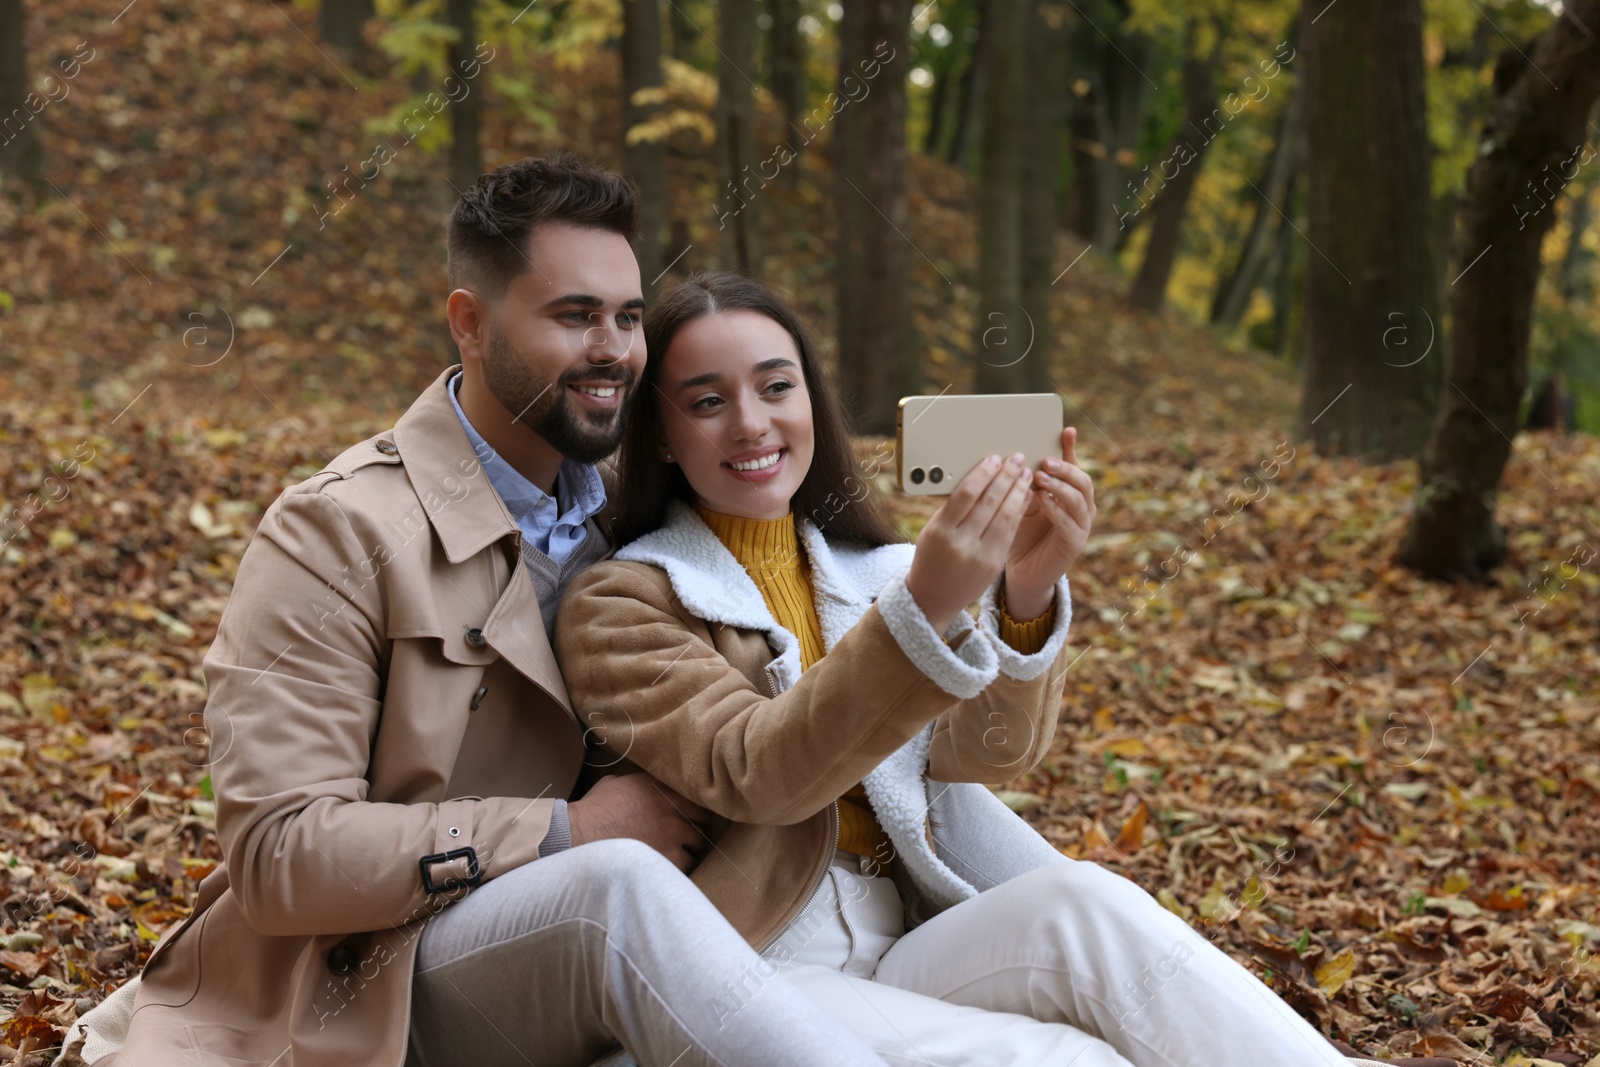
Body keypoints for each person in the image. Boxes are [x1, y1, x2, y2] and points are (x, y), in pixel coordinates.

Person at [57, 156, 888, 1067]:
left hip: (618, 960)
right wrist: (564, 830)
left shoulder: (640, 510)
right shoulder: (337, 530)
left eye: (627, 316)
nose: (613, 349)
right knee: (614, 882)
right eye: (574, 317)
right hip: (369, 983)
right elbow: (278, 855)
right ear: (470, 322)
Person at [552, 271, 1388, 1067]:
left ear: (812, 399)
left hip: (912, 923)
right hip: (759, 957)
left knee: (1087, 903)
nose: (751, 423)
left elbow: (983, 751)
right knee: (1071, 1058)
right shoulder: (622, 604)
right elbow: (759, 771)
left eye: (777, 387)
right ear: (660, 433)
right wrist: (919, 610)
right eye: (707, 401)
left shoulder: (870, 569)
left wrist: (1021, 593)